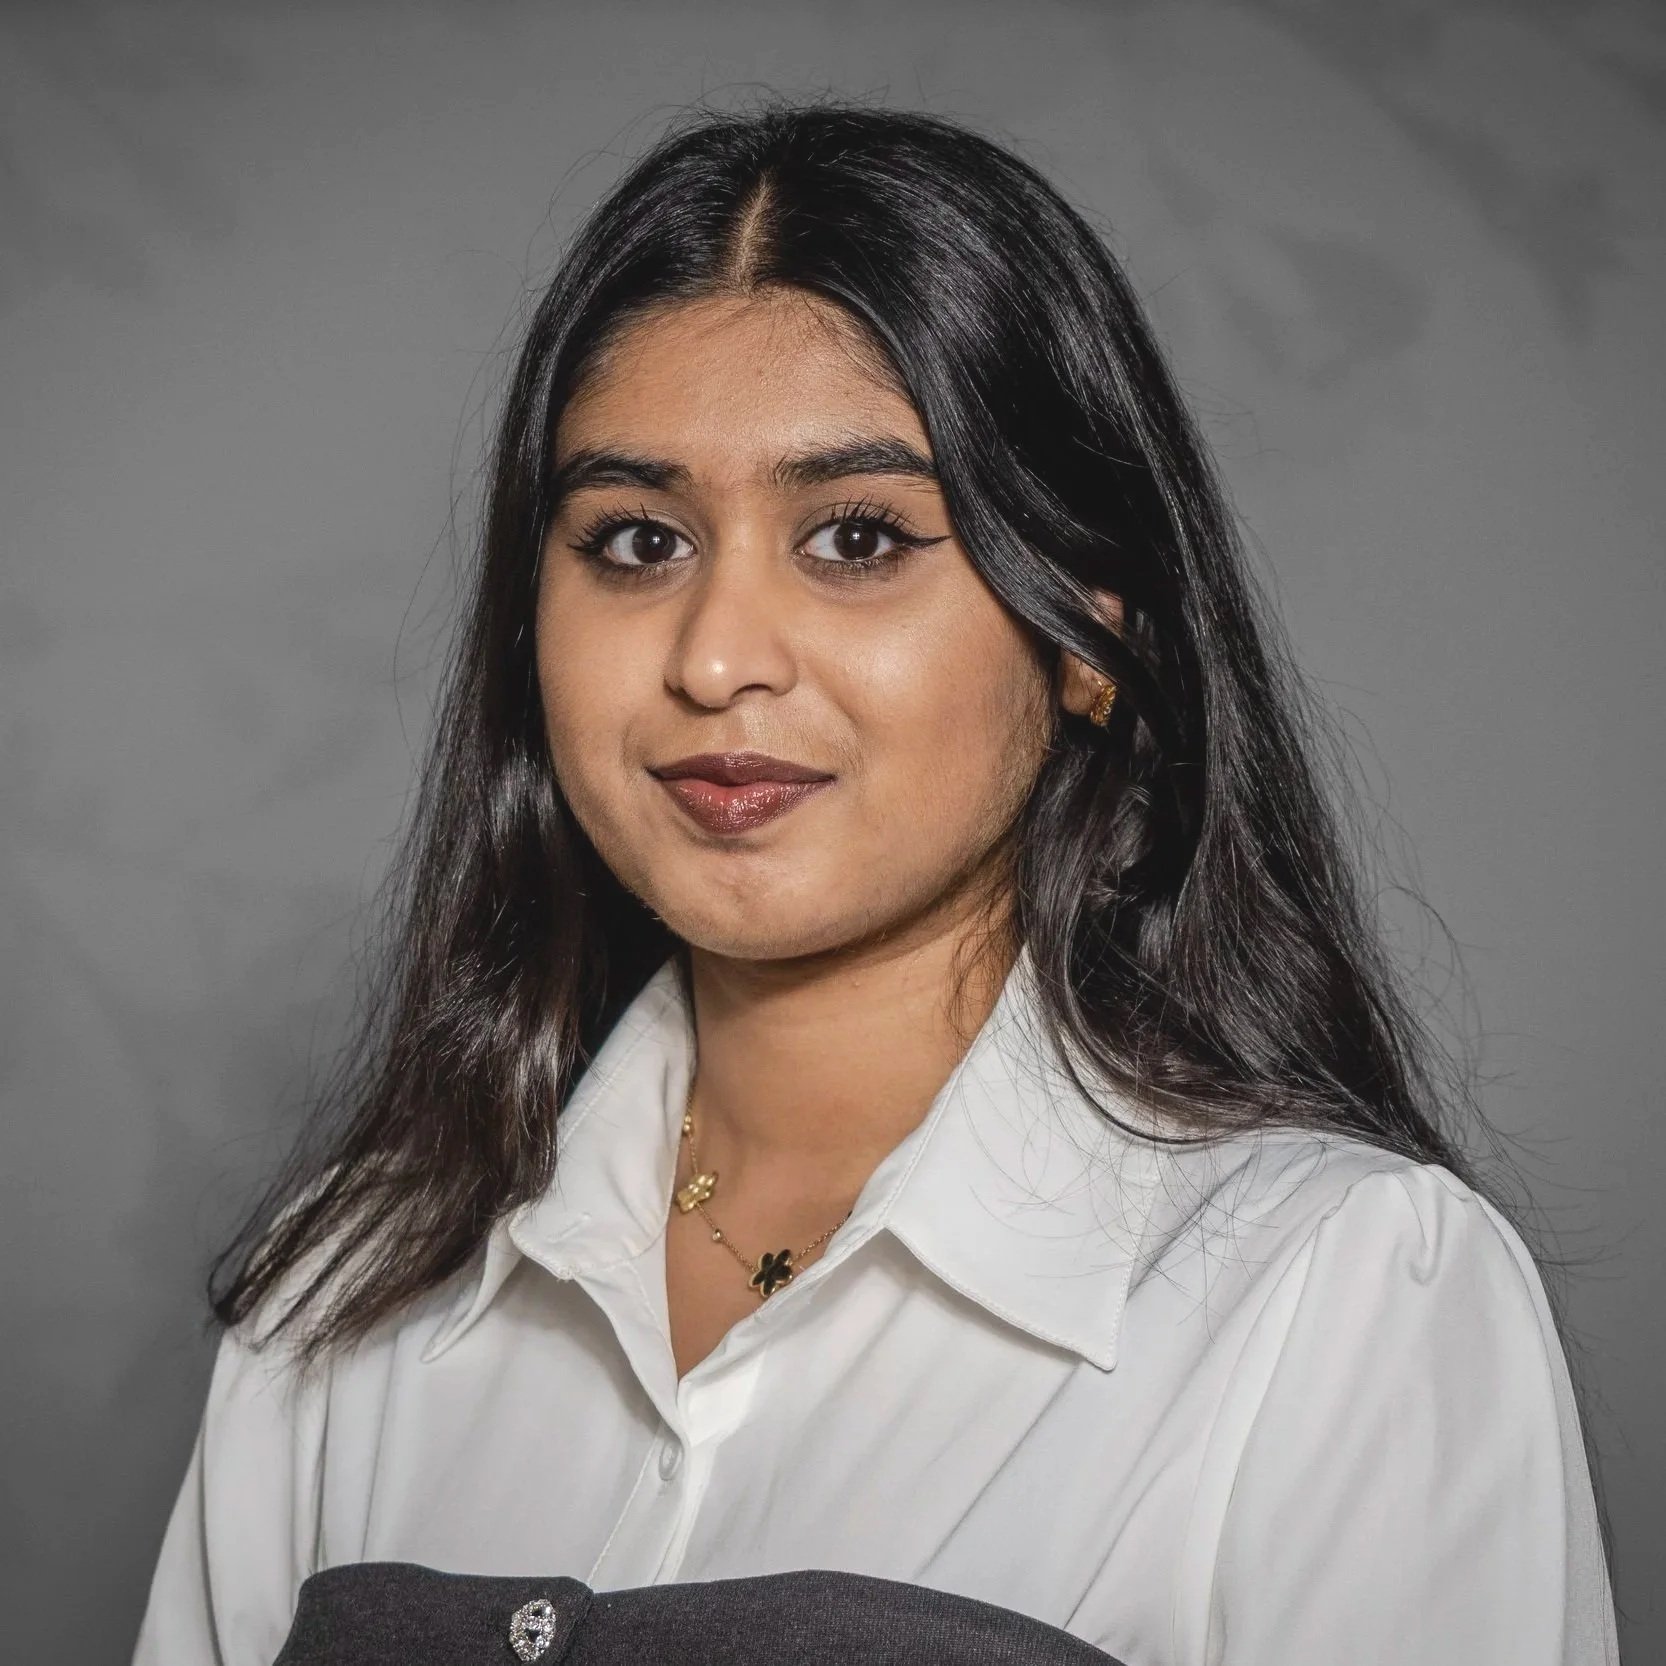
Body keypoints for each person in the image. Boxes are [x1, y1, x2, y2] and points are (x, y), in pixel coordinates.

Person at [131, 100, 1618, 1665]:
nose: (714, 656)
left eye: (854, 535)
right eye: (634, 540)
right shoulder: (344, 1294)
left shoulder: (1338, 1300)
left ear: (1086, 628)